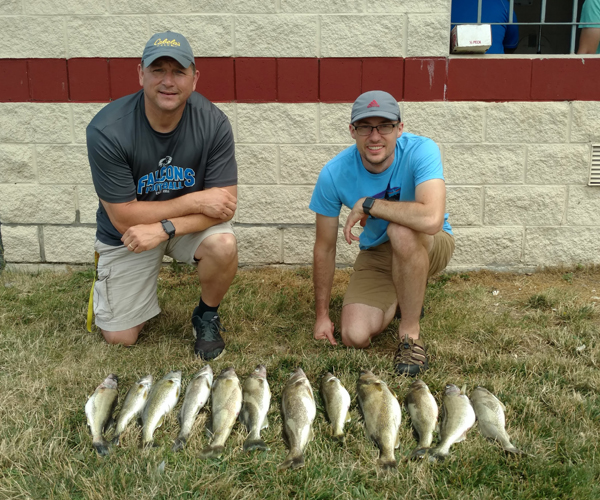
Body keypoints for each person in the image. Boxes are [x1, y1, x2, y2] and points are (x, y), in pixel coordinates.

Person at [86, 31, 238, 360]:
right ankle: (115, 291)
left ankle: (206, 315)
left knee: (223, 245)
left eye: (178, 71)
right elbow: (124, 216)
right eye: (158, 70)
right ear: (140, 74)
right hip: (129, 234)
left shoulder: (213, 122)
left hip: (178, 226)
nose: (168, 81)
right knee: (120, 337)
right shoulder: (107, 130)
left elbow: (225, 207)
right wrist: (196, 201)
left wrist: (164, 228)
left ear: (194, 79)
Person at [309, 91, 454, 376]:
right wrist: (322, 316)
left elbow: (432, 219)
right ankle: (405, 292)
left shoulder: (422, 150)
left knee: (400, 230)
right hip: (377, 251)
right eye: (365, 127)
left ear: (399, 128)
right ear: (352, 131)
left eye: (384, 126)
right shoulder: (333, 173)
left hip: (429, 242)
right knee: (355, 335)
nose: (375, 136)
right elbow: (324, 248)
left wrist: (369, 204)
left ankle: (410, 335)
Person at [451, 0, 519, 54]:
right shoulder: (503, 3)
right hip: (495, 66)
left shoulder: (445, 3)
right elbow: (510, 46)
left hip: (452, 65)